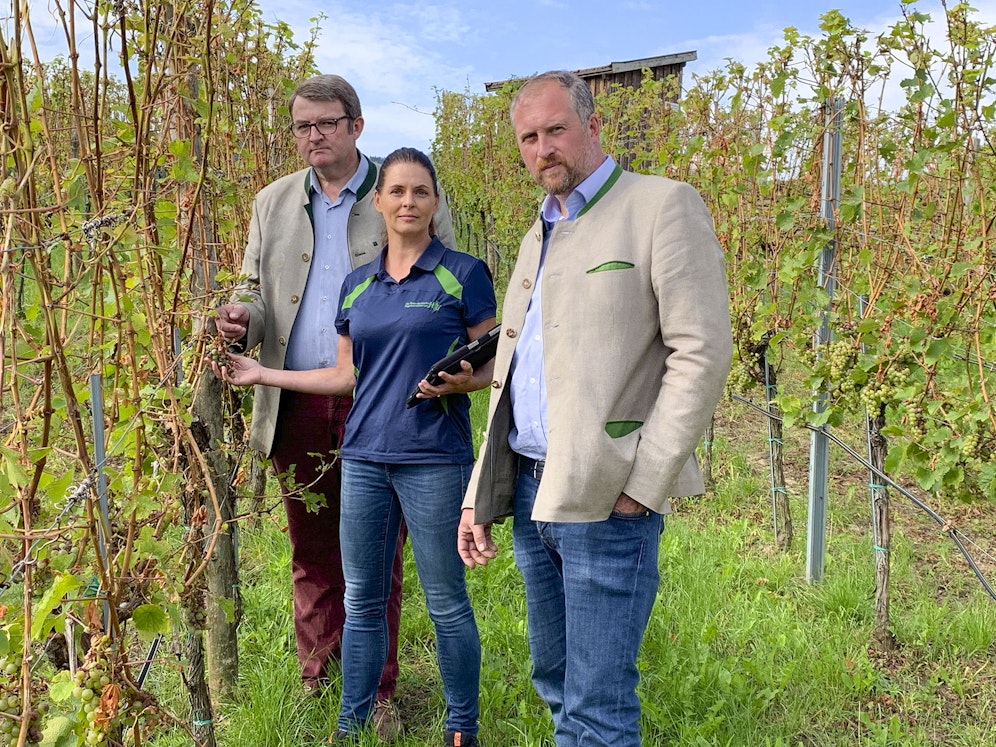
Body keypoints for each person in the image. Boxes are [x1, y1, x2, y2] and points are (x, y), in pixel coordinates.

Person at [457, 70, 733, 746]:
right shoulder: (536, 236)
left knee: (598, 703)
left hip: (608, 499)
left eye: (555, 130)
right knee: (555, 678)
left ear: (592, 125)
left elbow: (702, 351)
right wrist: (478, 495)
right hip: (530, 490)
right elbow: (517, 373)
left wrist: (643, 483)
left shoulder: (662, 206)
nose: (544, 147)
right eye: (529, 137)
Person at [218, 147, 494, 747]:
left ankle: (461, 726)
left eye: (420, 191)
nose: (408, 202)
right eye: (397, 192)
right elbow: (345, 376)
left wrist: (462, 379)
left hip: (433, 457)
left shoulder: (463, 274)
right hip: (364, 456)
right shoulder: (357, 286)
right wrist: (265, 376)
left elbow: (495, 364)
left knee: (445, 598)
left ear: (435, 201)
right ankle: (352, 723)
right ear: (380, 202)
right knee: (364, 598)